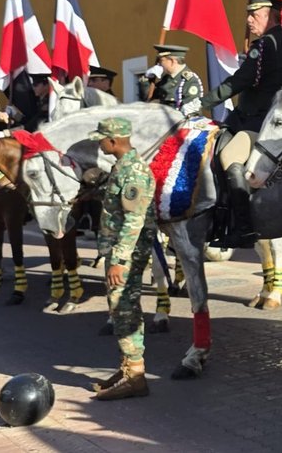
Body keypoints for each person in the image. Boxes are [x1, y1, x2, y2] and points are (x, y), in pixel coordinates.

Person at [201, 0, 282, 248]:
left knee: (229, 157)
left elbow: (241, 80)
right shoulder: (281, 41)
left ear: (271, 16)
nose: (249, 20)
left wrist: (204, 102)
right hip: (253, 119)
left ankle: (243, 228)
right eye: (249, 14)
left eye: (255, 14)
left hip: (260, 123)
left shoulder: (267, 44)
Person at [88, 117, 157, 401]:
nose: (99, 143)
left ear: (114, 141)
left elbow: (134, 218)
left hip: (125, 255)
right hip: (120, 253)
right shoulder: (122, 167)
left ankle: (136, 377)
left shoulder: (134, 172)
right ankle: (129, 367)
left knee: (124, 309)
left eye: (101, 139)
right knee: (123, 309)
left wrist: (118, 259)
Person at [140, 45, 204, 116]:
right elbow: (147, 97)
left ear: (172, 61)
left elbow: (191, 111)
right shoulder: (166, 79)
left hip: (182, 123)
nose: (159, 64)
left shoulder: (189, 80)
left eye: (161, 61)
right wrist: (147, 78)